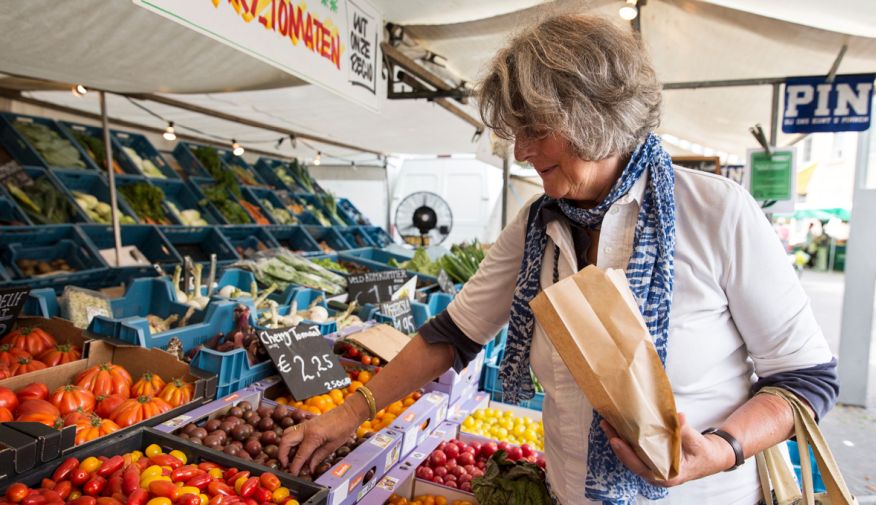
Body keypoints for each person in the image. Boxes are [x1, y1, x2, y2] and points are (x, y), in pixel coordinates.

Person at [279, 14, 838, 505]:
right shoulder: (535, 225)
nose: (521, 151)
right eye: (515, 132)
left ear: (596, 116)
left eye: (535, 130)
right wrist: (347, 414)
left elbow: (805, 380)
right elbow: (453, 333)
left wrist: (720, 450)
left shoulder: (717, 212)